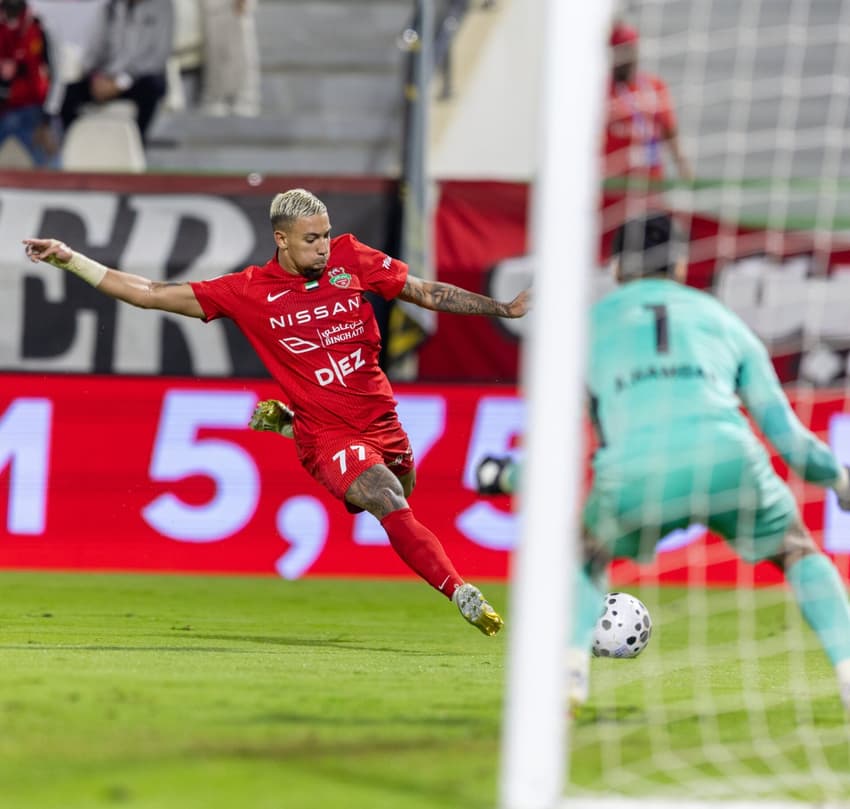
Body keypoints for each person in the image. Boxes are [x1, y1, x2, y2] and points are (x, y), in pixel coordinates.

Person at [23, 187, 529, 636]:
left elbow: (423, 291)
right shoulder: (247, 291)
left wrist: (501, 309)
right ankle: (460, 590)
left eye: (327, 235)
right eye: (312, 239)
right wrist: (70, 258)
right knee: (387, 498)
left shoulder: (353, 259)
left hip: (383, 422)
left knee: (404, 489)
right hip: (331, 435)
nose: (324, 246)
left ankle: (288, 424)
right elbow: (151, 293)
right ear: (281, 240)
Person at [475, 212, 850, 708]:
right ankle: (846, 668)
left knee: (584, 554)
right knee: (797, 548)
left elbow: (557, 450)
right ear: (677, 263)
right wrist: (838, 479)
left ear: (614, 269)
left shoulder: (584, 329)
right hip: (729, 461)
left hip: (636, 472)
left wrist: (508, 476)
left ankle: (570, 672)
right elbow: (790, 439)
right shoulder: (721, 319)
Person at [59, 0, 174, 144]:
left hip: (139, 78)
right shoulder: (110, 8)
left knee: (153, 86)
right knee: (66, 94)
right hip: (106, 77)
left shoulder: (162, 6)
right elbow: (94, 50)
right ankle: (77, 145)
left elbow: (159, 56)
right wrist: (95, 78)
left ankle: (136, 144)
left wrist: (121, 81)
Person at [603, 21, 692, 184]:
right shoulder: (601, 91)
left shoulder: (654, 87)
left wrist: (685, 171)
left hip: (649, 187)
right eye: (619, 50)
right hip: (611, 189)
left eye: (628, 49)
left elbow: (670, 133)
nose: (624, 57)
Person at [0, 0, 58, 167]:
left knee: (50, 158)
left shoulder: (42, 27)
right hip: (4, 110)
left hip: (34, 110)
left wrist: (47, 119)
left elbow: (57, 77)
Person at [199, 0, 260, 117]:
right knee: (214, 50)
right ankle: (216, 96)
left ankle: (244, 97)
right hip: (212, 9)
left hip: (233, 8)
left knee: (240, 52)